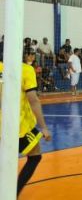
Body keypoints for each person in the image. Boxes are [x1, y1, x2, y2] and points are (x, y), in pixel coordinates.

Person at [0, 47, 52, 197]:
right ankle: (13, 192)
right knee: (35, 157)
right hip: (18, 123)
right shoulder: (26, 69)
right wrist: (43, 127)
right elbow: (33, 100)